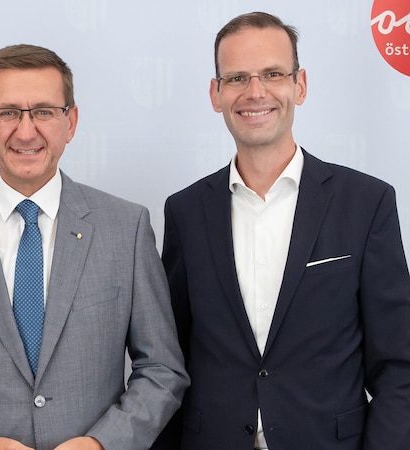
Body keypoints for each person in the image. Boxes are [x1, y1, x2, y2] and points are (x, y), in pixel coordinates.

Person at [0, 44, 188, 450]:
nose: (26, 131)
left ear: (71, 121)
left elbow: (162, 369)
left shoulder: (125, 228)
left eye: (43, 111)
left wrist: (103, 444)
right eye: (8, 112)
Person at [157, 11, 410, 450]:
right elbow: (168, 362)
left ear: (300, 84)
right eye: (236, 78)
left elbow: (400, 368)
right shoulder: (185, 211)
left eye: (273, 74)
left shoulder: (366, 203)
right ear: (215, 94)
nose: (255, 92)